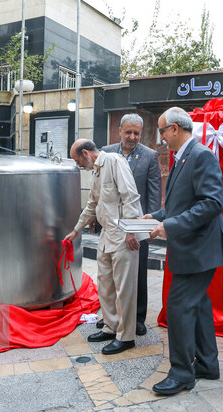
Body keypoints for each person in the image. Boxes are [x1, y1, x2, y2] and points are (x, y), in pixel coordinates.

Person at [145, 107, 223, 395]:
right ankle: (207, 364)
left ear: (174, 128)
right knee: (199, 306)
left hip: (199, 249)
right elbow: (180, 204)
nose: (160, 138)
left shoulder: (200, 155)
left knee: (180, 308)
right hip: (193, 248)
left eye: (161, 131)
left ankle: (182, 373)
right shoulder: (184, 155)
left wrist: (169, 226)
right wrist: (157, 216)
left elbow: (212, 203)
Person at [64, 139, 143, 355]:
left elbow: (130, 196)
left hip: (123, 235)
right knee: (105, 284)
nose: (78, 165)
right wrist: (76, 230)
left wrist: (131, 230)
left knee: (124, 288)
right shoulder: (96, 171)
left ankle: (126, 337)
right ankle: (110, 327)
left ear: (87, 153)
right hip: (106, 235)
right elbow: (92, 203)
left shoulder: (115, 162)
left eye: (77, 160)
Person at [101, 113, 161, 336]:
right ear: (119, 131)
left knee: (138, 274)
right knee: (110, 276)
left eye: (137, 133)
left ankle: (137, 317)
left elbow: (153, 196)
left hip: (136, 226)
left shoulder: (150, 156)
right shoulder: (106, 153)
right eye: (128, 132)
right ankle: (112, 318)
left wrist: (149, 227)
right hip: (111, 226)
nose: (133, 137)